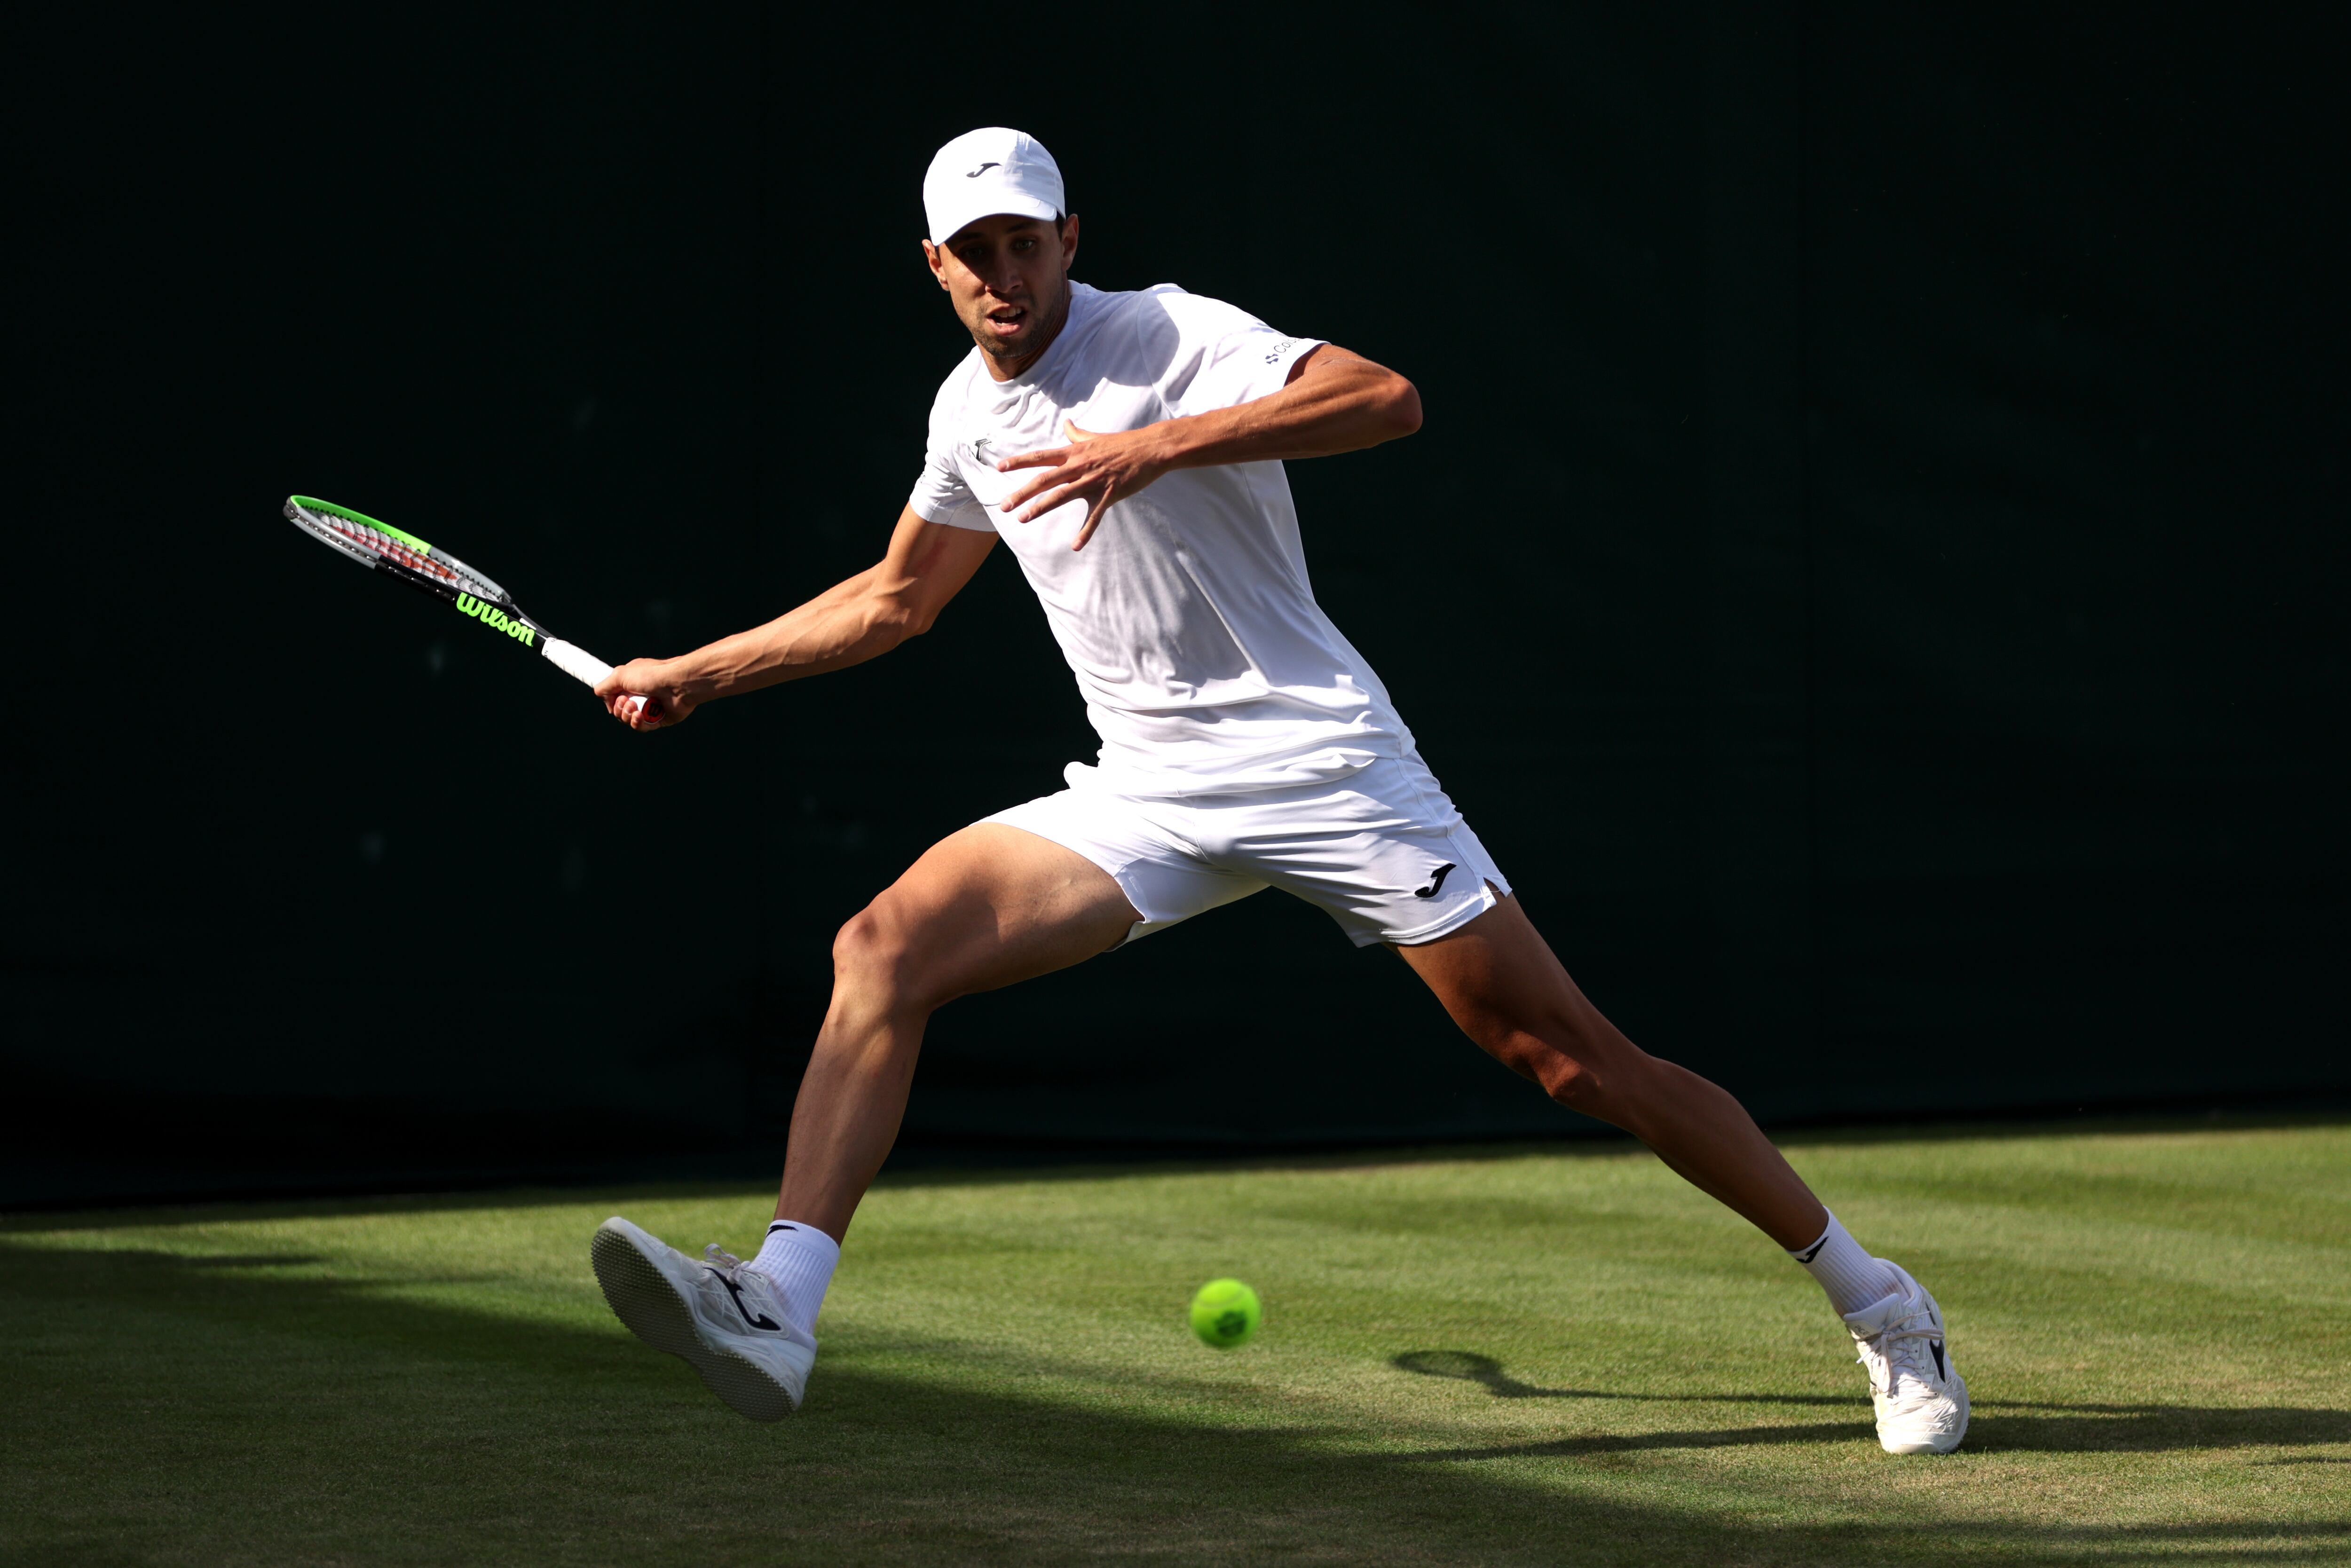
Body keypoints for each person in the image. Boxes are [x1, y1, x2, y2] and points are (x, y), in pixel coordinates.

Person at [584, 126, 1967, 1454]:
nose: (1005, 277)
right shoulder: (966, 411)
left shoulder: (1171, 333)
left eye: (1025, 242)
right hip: (1148, 793)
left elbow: (1387, 399)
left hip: (1325, 767)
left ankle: (1882, 1303)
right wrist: (699, 672)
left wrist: (1161, 444)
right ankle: (783, 1308)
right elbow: (897, 601)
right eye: (974, 252)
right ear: (935, 266)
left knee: (1568, 1059)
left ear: (1072, 239)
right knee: (881, 950)